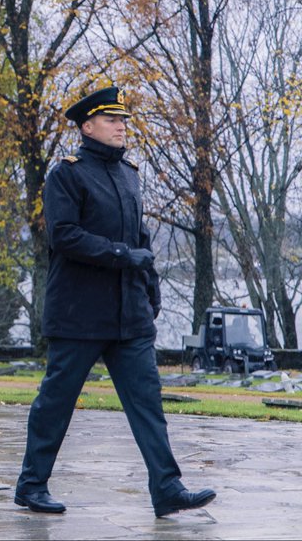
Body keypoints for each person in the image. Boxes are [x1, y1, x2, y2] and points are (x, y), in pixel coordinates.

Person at [14, 86, 216, 518]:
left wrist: (151, 285)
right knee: (56, 402)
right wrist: (122, 255)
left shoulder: (129, 174)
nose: (122, 126)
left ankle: (167, 488)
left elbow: (140, 238)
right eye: (112, 119)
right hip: (79, 314)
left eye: (123, 119)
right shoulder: (66, 175)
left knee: (148, 403)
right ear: (87, 127)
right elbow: (64, 236)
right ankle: (31, 485)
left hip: (129, 315)